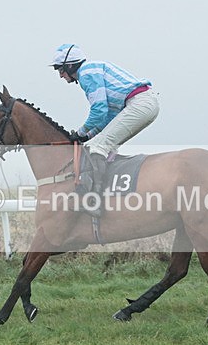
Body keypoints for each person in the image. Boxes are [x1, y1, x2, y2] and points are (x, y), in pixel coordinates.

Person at [50, 44, 159, 217]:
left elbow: (99, 110)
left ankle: (93, 201)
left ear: (70, 65)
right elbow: (108, 117)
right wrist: (88, 136)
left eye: (60, 69)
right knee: (98, 144)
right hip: (142, 103)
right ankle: (112, 194)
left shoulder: (86, 73)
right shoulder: (92, 70)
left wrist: (80, 132)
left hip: (139, 104)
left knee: (96, 148)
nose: (60, 75)